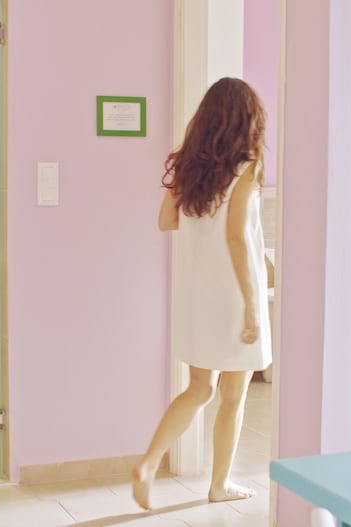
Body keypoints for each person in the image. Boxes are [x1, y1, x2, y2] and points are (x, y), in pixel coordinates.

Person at [132, 77, 272, 510]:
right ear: (247, 120)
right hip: (234, 295)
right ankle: (219, 485)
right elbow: (236, 237)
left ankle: (149, 463)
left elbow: (166, 221)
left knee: (198, 389)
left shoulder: (191, 167)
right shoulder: (247, 167)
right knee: (234, 395)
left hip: (196, 295)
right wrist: (252, 305)